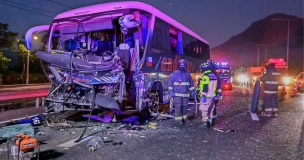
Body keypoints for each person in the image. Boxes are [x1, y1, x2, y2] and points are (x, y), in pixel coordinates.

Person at [168, 59, 195, 123]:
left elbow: (191, 83)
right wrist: (171, 92)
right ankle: (178, 120)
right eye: (181, 65)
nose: (182, 67)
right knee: (178, 106)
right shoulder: (174, 74)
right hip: (177, 94)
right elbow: (170, 83)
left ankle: (184, 118)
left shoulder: (187, 74)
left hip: (185, 94)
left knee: (185, 106)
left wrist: (193, 91)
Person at [199, 60, 218, 128]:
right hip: (212, 95)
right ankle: (210, 122)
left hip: (206, 96)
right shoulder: (213, 76)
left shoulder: (206, 76)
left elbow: (205, 86)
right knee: (211, 109)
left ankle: (205, 123)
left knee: (204, 109)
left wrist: (203, 95)